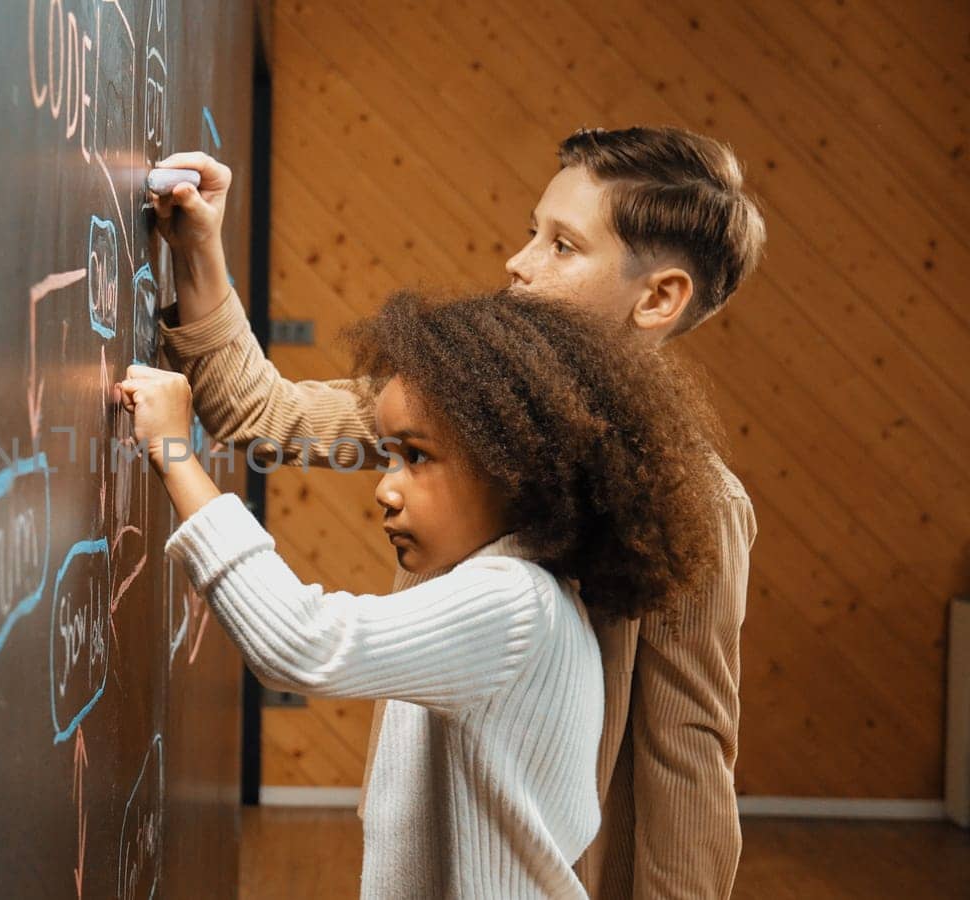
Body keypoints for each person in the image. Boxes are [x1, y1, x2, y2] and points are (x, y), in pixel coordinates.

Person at [148, 127, 766, 898]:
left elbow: (689, 750)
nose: (520, 261)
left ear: (660, 297)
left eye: (563, 246)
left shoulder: (697, 502)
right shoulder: (464, 411)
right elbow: (265, 414)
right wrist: (200, 249)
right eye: (530, 233)